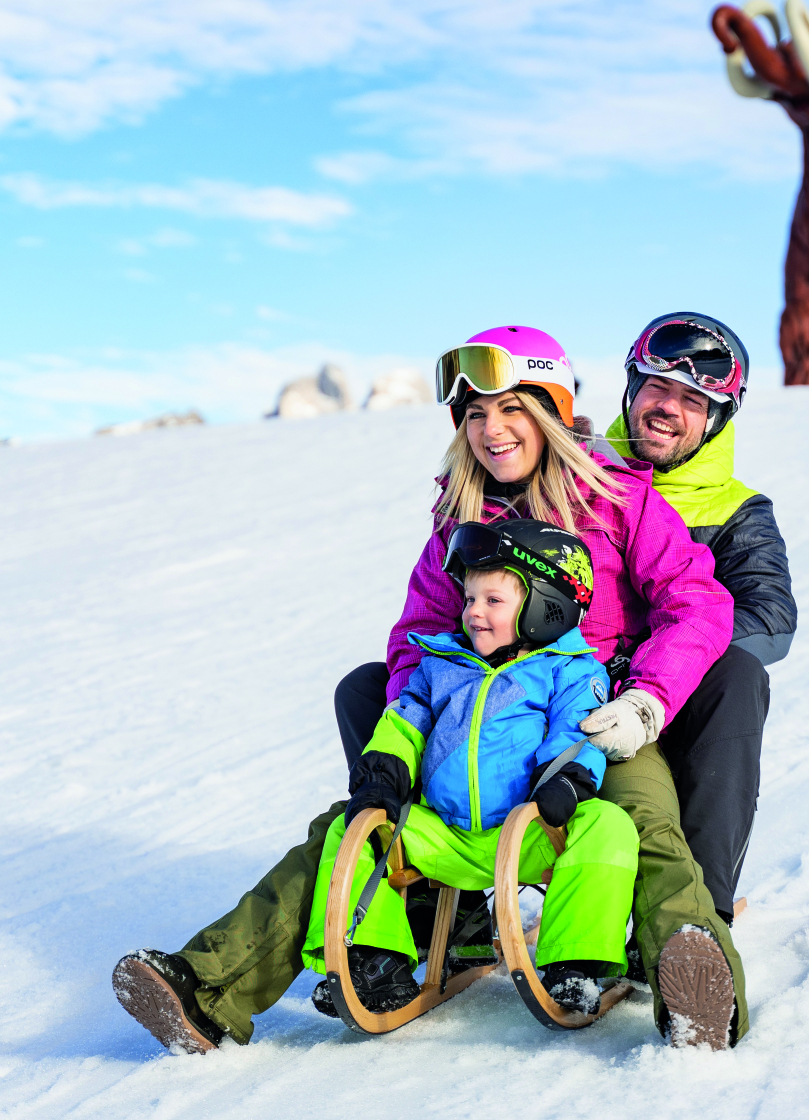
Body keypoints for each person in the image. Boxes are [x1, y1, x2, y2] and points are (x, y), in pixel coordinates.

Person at [116, 324, 748, 1053]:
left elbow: (697, 602)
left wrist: (645, 700)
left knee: (640, 816)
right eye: (475, 415)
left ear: (547, 411)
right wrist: (405, 740)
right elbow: (415, 637)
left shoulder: (616, 501)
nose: (492, 430)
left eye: (511, 410)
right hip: (475, 718)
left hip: (586, 718)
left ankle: (699, 997)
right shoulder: (459, 520)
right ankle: (206, 989)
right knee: (348, 830)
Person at [303, 519, 637, 1019]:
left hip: (531, 832)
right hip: (445, 837)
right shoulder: (441, 665)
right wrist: (382, 776)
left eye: (493, 601)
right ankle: (373, 961)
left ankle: (576, 966)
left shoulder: (569, 669)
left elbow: (575, 732)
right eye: (469, 599)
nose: (473, 612)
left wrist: (566, 780)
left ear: (547, 607)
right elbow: (404, 722)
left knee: (609, 827)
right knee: (350, 828)